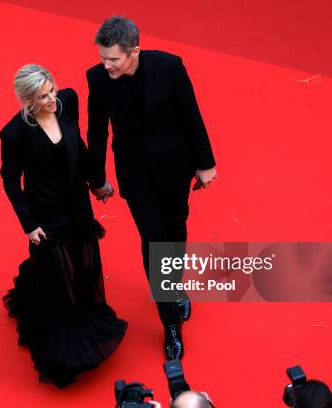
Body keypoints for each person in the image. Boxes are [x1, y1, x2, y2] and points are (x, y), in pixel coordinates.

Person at [86, 16, 217, 360]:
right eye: (103, 57)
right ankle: (171, 321)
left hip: (175, 170)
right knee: (155, 241)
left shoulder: (170, 67)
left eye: (113, 59)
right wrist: (97, 179)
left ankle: (172, 288)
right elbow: (97, 132)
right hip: (136, 177)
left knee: (175, 232)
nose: (106, 65)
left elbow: (192, 114)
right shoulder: (97, 80)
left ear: (134, 52)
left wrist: (205, 164)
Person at [0, 64, 127, 388]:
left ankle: (79, 312)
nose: (52, 99)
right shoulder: (14, 133)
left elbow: (79, 148)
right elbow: (11, 181)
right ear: (27, 101)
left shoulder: (67, 102)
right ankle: (64, 355)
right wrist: (28, 225)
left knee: (83, 264)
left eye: (52, 90)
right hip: (46, 215)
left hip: (77, 206)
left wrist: (97, 183)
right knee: (59, 277)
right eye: (43, 96)